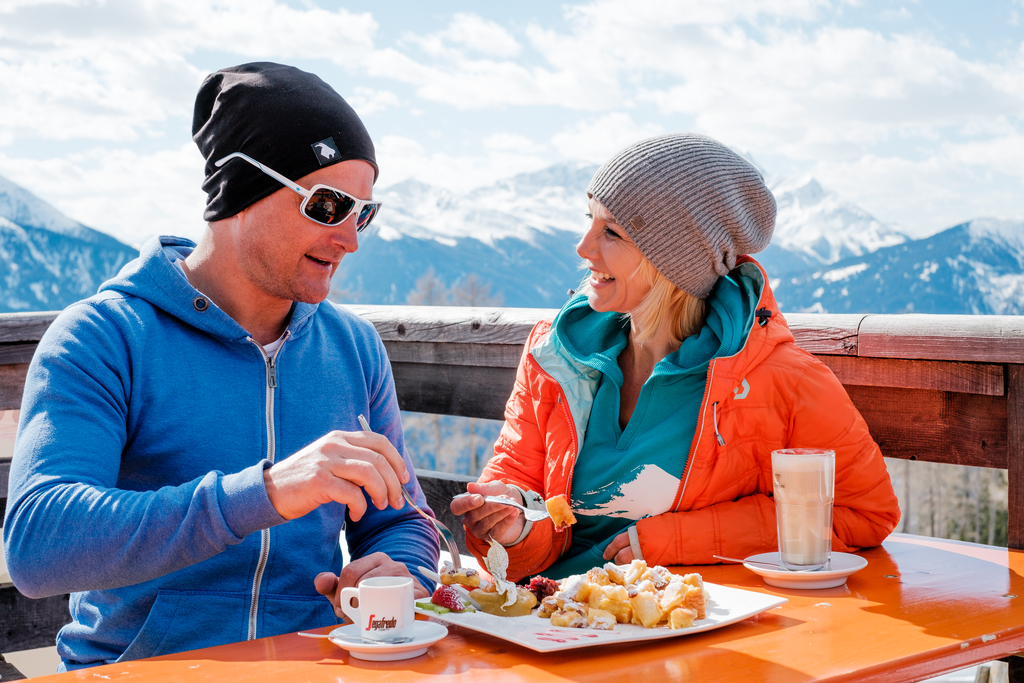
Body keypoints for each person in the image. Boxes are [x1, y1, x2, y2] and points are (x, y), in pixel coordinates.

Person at [2, 62, 439, 670]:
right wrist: (264, 493)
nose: (350, 238)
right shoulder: (104, 337)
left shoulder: (353, 347)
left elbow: (403, 520)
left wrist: (402, 572)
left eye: (362, 211)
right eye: (329, 204)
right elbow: (39, 544)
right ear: (239, 187)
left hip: (312, 666)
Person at [452, 133, 901, 581]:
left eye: (611, 231)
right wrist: (511, 529)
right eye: (588, 220)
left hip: (687, 631)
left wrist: (676, 541)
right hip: (552, 625)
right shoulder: (555, 357)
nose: (584, 247)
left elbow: (863, 513)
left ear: (674, 261)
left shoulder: (784, 383)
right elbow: (517, 534)